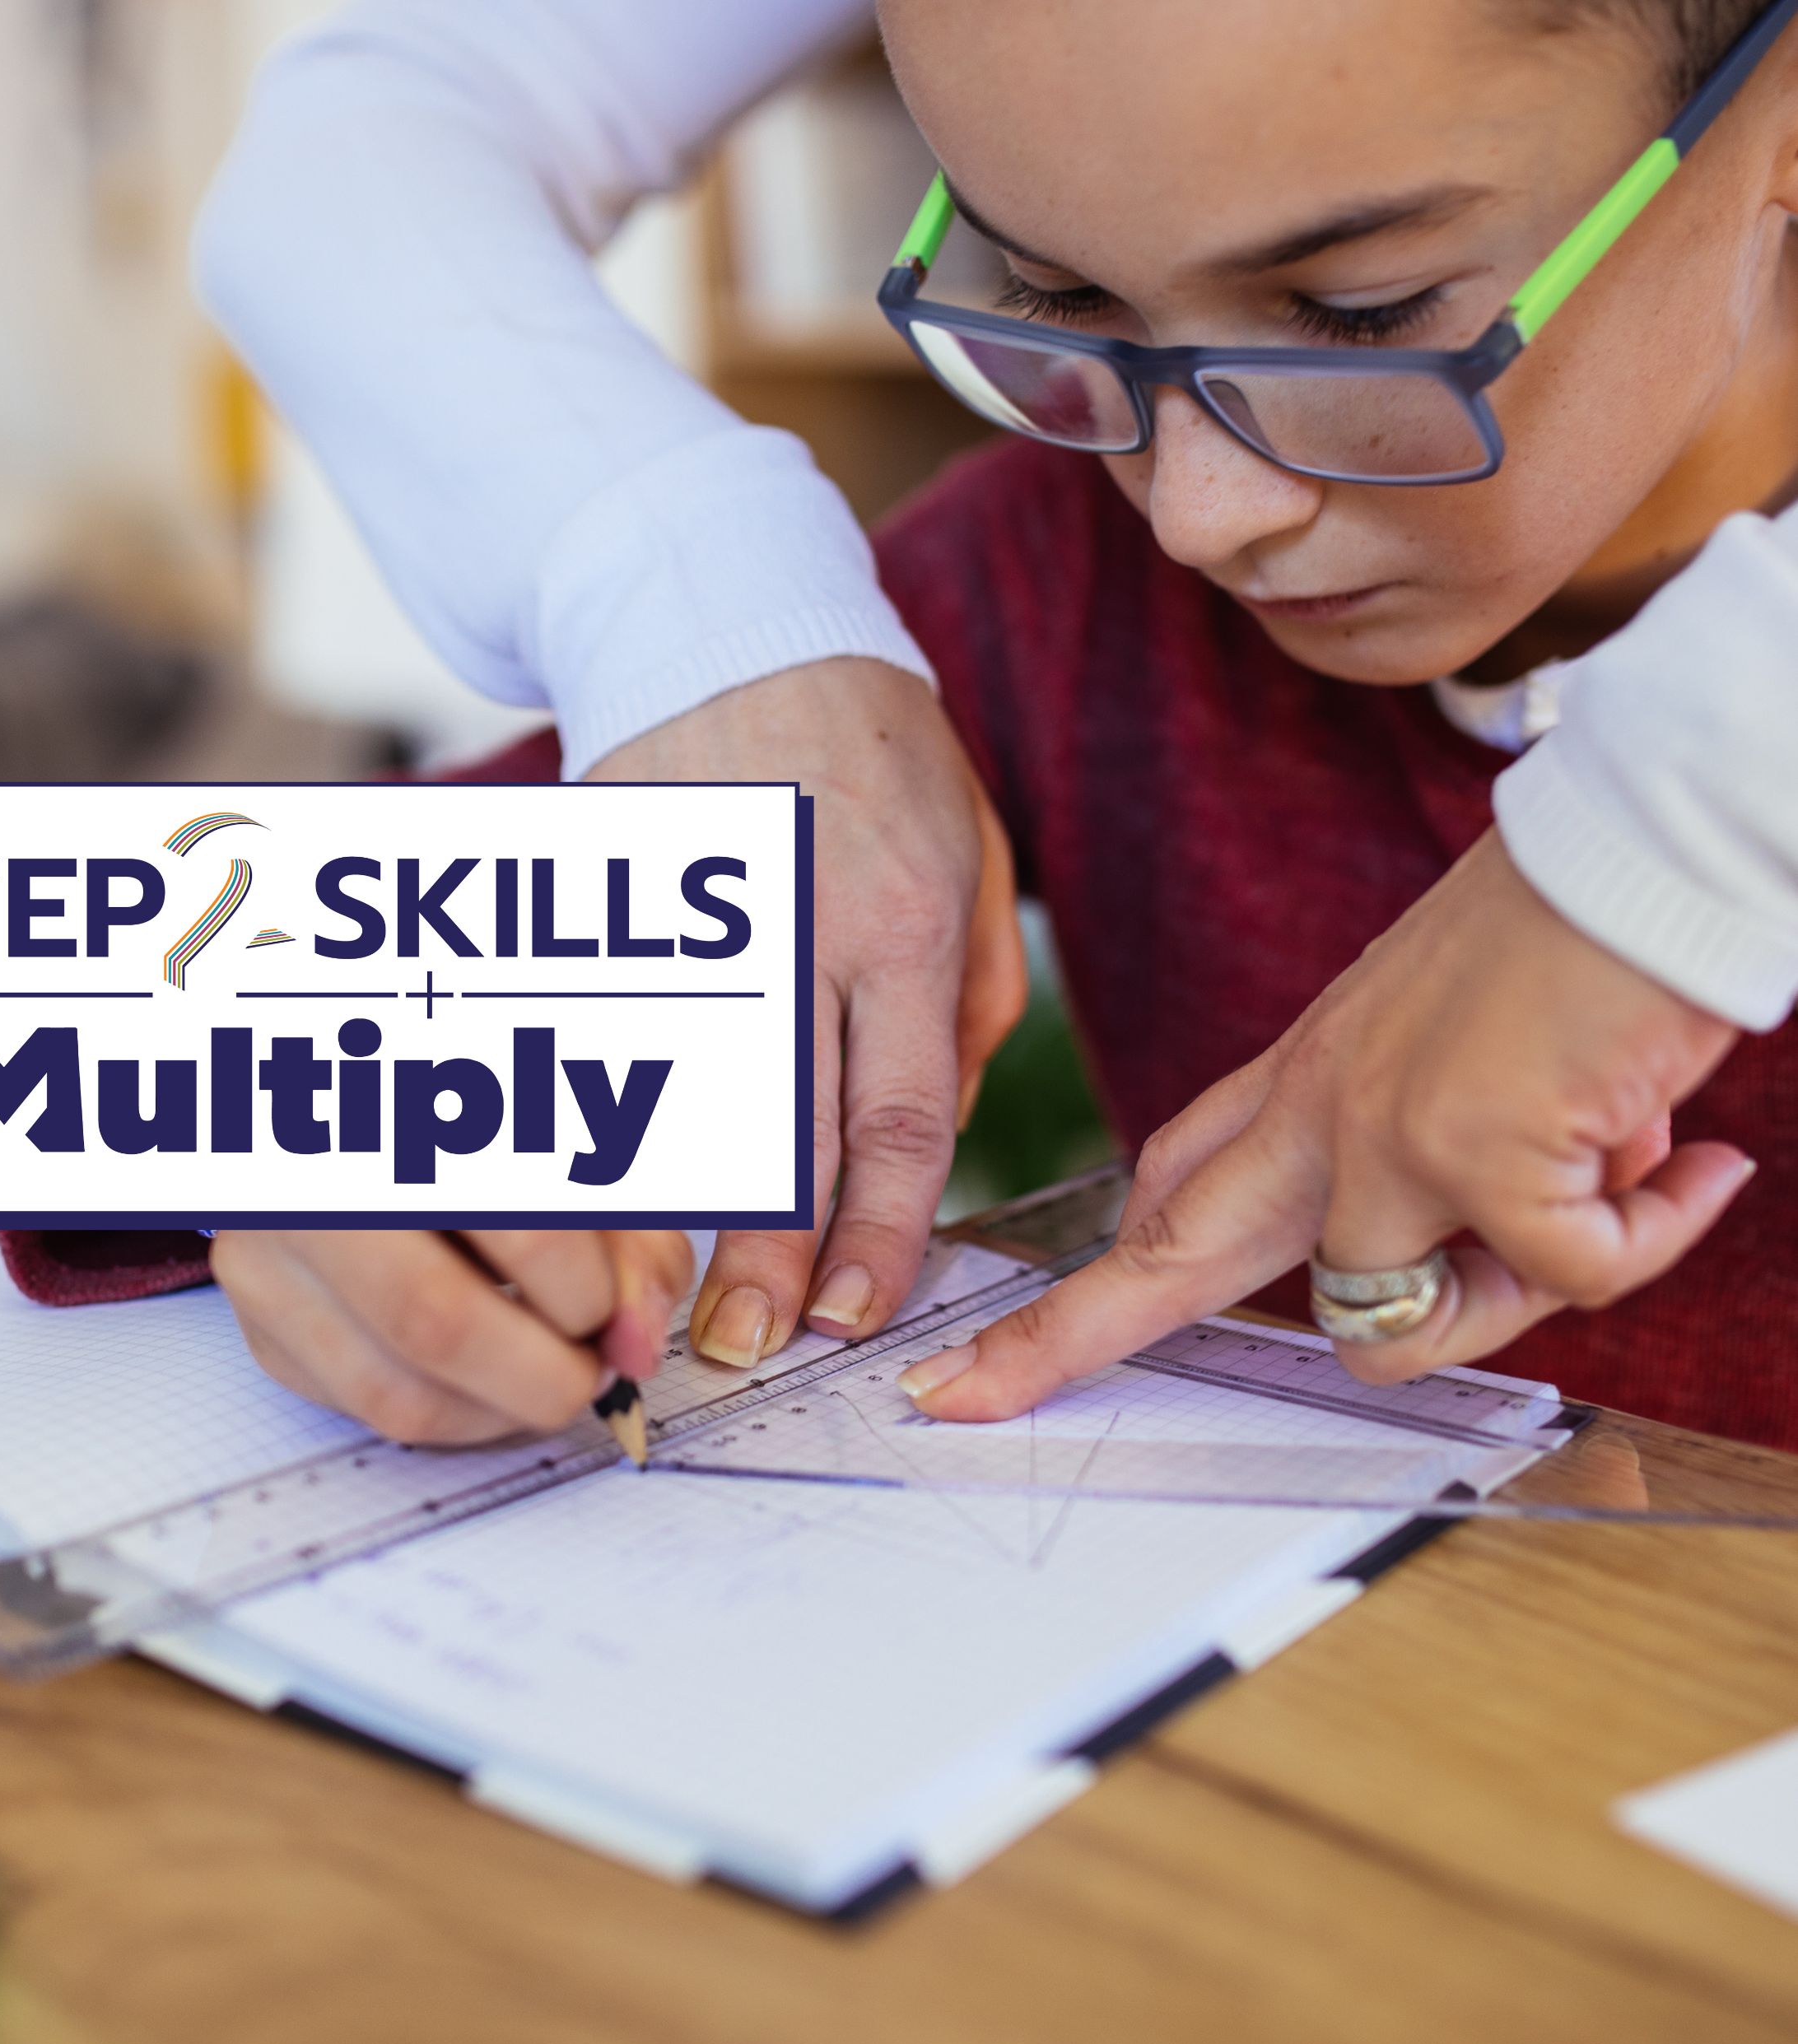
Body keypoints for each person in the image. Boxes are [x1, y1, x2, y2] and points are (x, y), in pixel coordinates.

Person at [158, 0, 1798, 1445]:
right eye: (1060, 294)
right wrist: (304, 1093)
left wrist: (1657, 862)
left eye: (1360, 312)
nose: (1199, 515)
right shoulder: (1052, 573)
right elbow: (173, 957)